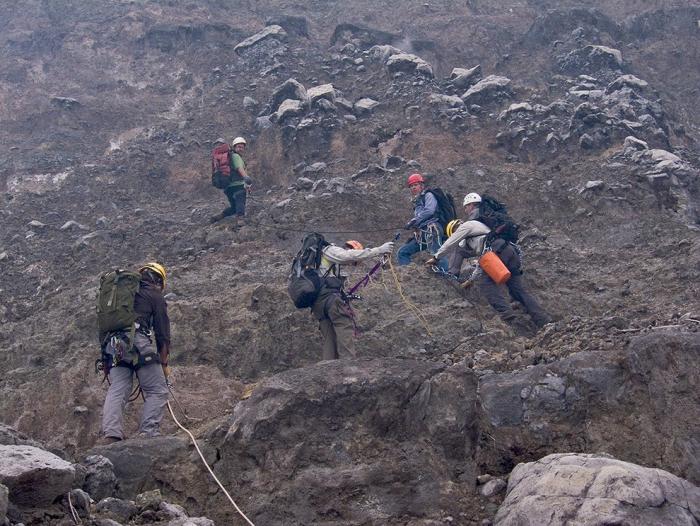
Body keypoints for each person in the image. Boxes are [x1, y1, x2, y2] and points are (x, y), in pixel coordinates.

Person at [428, 192, 551, 329]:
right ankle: (543, 320)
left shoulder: (468, 225)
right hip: (510, 251)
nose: (465, 210)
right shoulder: (484, 227)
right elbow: (483, 262)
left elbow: (452, 243)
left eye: (466, 207)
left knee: (487, 284)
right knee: (517, 291)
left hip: (498, 251)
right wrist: (471, 280)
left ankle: (509, 317)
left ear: (471, 205)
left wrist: (436, 257)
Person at [101, 262, 171, 442]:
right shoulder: (154, 295)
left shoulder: (123, 295)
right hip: (137, 341)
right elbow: (163, 334)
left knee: (118, 387)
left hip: (114, 344)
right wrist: (163, 364)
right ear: (158, 280)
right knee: (158, 389)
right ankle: (147, 433)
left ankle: (111, 434)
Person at [312, 239, 394, 360]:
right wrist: (379, 250)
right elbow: (348, 256)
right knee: (344, 326)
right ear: (351, 248)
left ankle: (327, 368)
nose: (350, 264)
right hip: (329, 299)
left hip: (317, 303)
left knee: (329, 337)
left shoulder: (320, 260)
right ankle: (348, 365)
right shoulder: (331, 250)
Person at [397, 173, 447, 269]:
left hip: (432, 229)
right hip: (423, 232)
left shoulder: (428, 195)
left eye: (415, 185)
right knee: (402, 252)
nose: (413, 188)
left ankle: (444, 275)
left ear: (421, 185)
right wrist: (413, 225)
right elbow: (420, 217)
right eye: (411, 186)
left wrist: (414, 221)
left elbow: (429, 210)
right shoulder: (417, 203)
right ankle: (408, 275)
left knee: (437, 253)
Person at [210, 136, 253, 227]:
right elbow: (239, 168)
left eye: (242, 147)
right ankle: (240, 220)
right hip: (238, 185)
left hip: (228, 187)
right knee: (240, 202)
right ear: (234, 147)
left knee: (234, 207)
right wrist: (246, 178)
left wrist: (247, 186)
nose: (240, 149)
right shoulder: (236, 156)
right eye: (239, 147)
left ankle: (219, 217)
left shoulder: (229, 157)